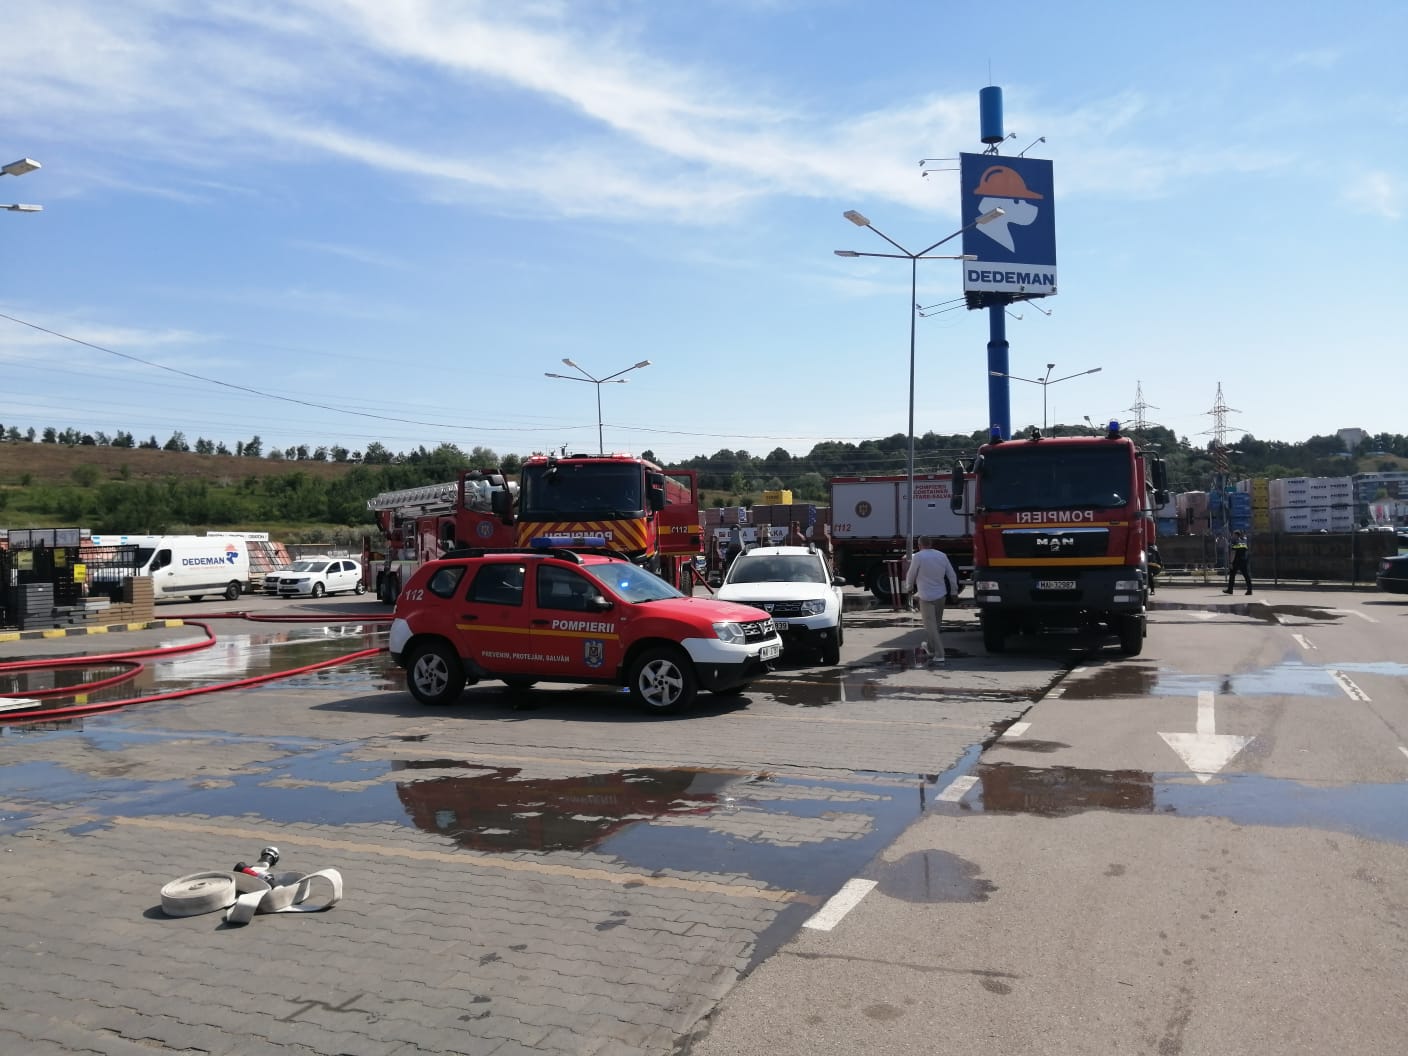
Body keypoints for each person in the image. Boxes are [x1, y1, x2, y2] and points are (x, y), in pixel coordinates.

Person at [903, 535, 960, 667]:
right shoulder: (942, 555)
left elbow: (911, 574)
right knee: (936, 626)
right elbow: (951, 575)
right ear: (931, 544)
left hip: (926, 596)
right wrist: (954, 591)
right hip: (941, 596)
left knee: (930, 627)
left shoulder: (918, 557)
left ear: (919, 545)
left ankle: (939, 654)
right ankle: (930, 647)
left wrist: (909, 587)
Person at [1223, 530, 1252, 595]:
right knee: (1246, 575)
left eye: (1233, 534)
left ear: (1236, 535)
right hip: (1243, 560)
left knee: (1232, 575)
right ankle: (1249, 590)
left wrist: (1231, 562)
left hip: (1236, 561)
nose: (1232, 536)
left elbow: (1233, 552)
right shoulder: (1243, 542)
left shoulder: (1235, 542)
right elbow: (1247, 551)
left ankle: (1230, 590)